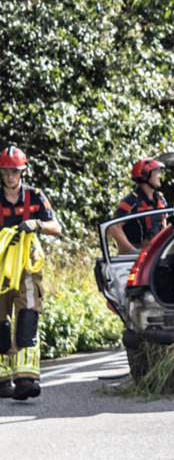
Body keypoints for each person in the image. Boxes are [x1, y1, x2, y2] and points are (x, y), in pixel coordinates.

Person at [0, 146, 61, 401]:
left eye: (14, 171)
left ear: (23, 171)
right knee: (0, 325)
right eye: (5, 171)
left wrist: (37, 224)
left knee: (27, 319)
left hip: (28, 266)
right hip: (1, 267)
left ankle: (26, 379)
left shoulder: (35, 196)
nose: (10, 176)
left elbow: (56, 227)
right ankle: (2, 380)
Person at [108, 158, 168, 256]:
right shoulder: (131, 201)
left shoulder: (161, 200)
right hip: (132, 258)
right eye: (156, 172)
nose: (160, 176)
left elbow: (163, 227)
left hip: (154, 255)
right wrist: (132, 251)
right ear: (145, 176)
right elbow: (114, 228)